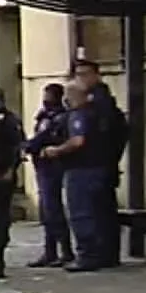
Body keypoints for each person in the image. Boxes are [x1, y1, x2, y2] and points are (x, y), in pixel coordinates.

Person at [41, 82, 108, 272]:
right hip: (96, 168)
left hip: (81, 169)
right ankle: (97, 253)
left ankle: (87, 255)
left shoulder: (79, 115)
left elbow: (78, 141)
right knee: (94, 213)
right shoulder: (96, 114)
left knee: (81, 213)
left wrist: (57, 150)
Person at [70, 60, 127, 266]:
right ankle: (106, 255)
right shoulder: (104, 105)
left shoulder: (94, 107)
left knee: (87, 213)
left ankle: (91, 255)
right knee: (103, 212)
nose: (81, 79)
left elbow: (81, 140)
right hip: (103, 165)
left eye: (85, 74)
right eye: (78, 74)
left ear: (96, 75)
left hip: (89, 166)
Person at [24, 83, 73, 267]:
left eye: (48, 96)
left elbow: (43, 138)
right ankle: (50, 251)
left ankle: (65, 251)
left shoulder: (58, 118)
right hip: (43, 167)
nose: (45, 99)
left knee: (53, 209)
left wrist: (28, 146)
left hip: (52, 168)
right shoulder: (45, 116)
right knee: (47, 211)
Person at [0, 90, 27, 254]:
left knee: (0, 212)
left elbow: (17, 147)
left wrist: (10, 169)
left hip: (2, 171)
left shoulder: (9, 121)